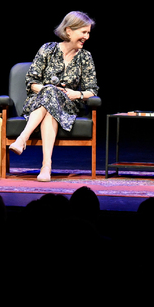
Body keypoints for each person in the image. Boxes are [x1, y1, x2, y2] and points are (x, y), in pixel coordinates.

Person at [9, 11, 99, 182]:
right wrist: (50, 89)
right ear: (69, 30)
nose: (86, 37)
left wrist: (77, 94)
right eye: (83, 32)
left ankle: (22, 139)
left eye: (88, 33)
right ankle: (46, 166)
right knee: (50, 94)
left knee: (53, 97)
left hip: (68, 105)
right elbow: (32, 82)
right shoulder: (47, 49)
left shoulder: (85, 57)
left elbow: (92, 90)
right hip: (37, 103)